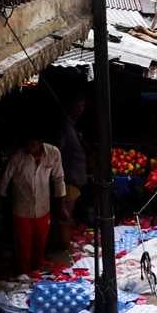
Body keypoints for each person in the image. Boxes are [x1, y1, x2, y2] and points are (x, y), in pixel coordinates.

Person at [0, 132, 68, 274]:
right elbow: (4, 181)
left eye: (33, 144)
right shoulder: (17, 157)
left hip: (43, 208)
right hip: (22, 210)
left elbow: (59, 178)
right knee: (23, 248)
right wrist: (1, 204)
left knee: (40, 244)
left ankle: (35, 273)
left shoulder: (53, 153)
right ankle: (24, 276)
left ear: (40, 142)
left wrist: (61, 206)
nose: (29, 148)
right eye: (27, 144)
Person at [57, 94, 87, 246]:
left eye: (83, 105)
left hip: (75, 178)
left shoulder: (72, 126)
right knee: (66, 213)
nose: (82, 109)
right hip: (69, 177)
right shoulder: (65, 127)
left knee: (70, 211)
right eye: (79, 105)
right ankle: (64, 245)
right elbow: (59, 153)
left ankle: (66, 241)